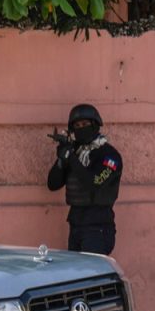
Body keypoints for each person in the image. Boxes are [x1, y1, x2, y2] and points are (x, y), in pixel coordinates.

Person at [46, 103, 122, 255]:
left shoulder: (109, 155)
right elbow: (53, 184)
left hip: (98, 227)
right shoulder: (76, 152)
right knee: (76, 269)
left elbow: (94, 182)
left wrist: (71, 157)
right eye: (77, 125)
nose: (81, 128)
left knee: (92, 269)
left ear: (95, 124)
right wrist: (61, 159)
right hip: (76, 224)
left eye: (85, 124)